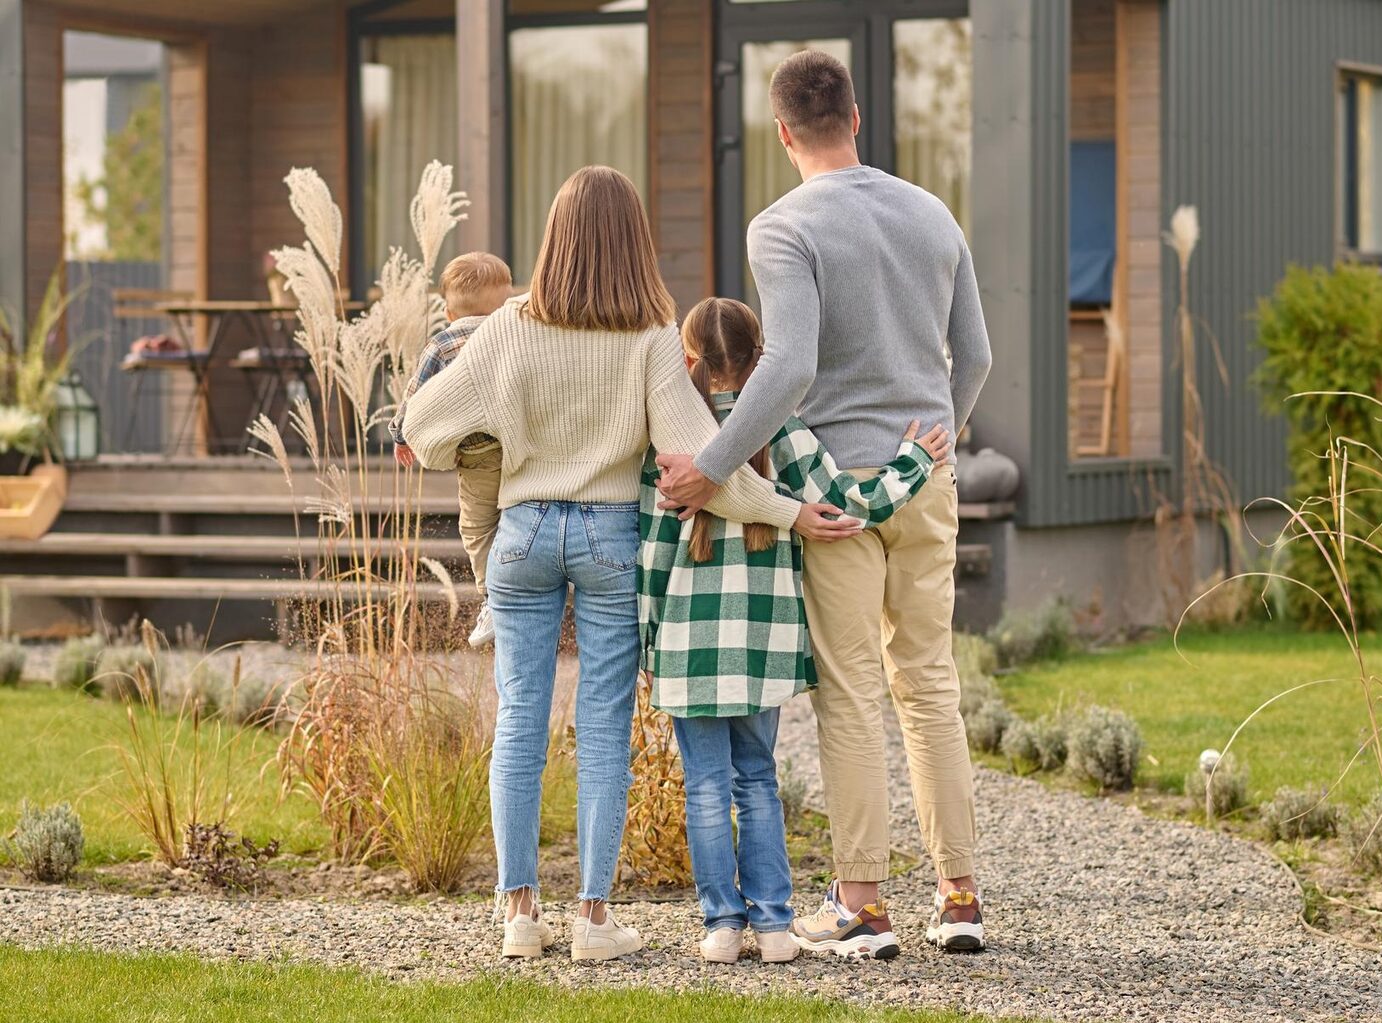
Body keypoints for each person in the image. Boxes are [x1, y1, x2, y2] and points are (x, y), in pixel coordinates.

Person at [400, 166, 862, 963]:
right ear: (634, 243)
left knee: (519, 718)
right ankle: (591, 919)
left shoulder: (507, 326)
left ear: (554, 239)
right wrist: (791, 511)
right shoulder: (651, 338)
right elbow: (703, 466)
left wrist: (487, 446)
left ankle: (518, 914)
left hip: (521, 532)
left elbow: (421, 425)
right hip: (612, 539)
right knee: (604, 727)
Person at [656, 50, 993, 960]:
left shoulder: (782, 225)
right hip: (924, 479)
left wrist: (712, 464)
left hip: (834, 494)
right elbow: (979, 354)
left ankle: (864, 908)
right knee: (929, 685)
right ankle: (959, 897)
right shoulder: (932, 212)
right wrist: (936, 448)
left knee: (850, 696)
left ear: (780, 133)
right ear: (854, 116)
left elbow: (791, 363)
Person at [641, 297, 949, 965]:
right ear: (763, 362)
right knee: (757, 777)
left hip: (690, 649)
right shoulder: (782, 430)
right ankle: (777, 926)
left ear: (686, 361)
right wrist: (913, 461)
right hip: (765, 643)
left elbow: (652, 549)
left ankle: (723, 926)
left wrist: (650, 639)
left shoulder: (670, 437)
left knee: (703, 785)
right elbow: (847, 504)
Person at [390, 251, 514, 649]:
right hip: (523, 446)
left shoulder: (442, 344)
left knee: (478, 527)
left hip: (477, 454)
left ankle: (494, 597)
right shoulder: (515, 333)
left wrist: (400, 434)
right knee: (516, 518)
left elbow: (415, 396)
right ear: (506, 302)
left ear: (448, 311)